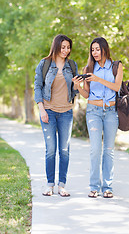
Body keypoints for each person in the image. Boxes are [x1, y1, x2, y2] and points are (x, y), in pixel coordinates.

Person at [72, 37, 123, 198]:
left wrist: (97, 79)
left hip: (110, 112)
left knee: (108, 150)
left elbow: (116, 87)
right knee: (95, 149)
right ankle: (94, 186)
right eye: (92, 50)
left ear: (104, 49)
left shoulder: (116, 66)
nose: (95, 52)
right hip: (93, 111)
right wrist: (78, 86)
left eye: (97, 49)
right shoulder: (88, 67)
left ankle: (107, 187)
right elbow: (87, 95)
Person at [34, 34, 79, 197]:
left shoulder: (72, 66)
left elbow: (74, 91)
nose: (66, 50)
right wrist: (41, 109)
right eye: (63, 47)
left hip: (66, 112)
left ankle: (62, 185)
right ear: (56, 46)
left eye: (68, 47)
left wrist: (77, 85)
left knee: (65, 150)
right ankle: (49, 185)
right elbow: (37, 87)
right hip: (49, 112)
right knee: (51, 150)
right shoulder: (44, 64)